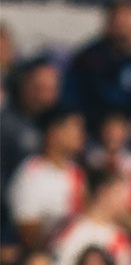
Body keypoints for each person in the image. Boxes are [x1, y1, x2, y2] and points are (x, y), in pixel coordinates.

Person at [45, 169, 131, 265]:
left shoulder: (121, 238)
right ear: (104, 192)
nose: (127, 202)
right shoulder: (72, 232)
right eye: (121, 194)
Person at [7, 107, 88, 251]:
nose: (81, 134)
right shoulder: (32, 175)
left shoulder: (77, 172)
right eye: (75, 128)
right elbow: (28, 232)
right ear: (54, 133)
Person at [64, 0, 131, 133]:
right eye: (117, 21)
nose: (122, 26)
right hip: (95, 123)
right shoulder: (90, 56)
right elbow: (81, 94)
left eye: (126, 21)